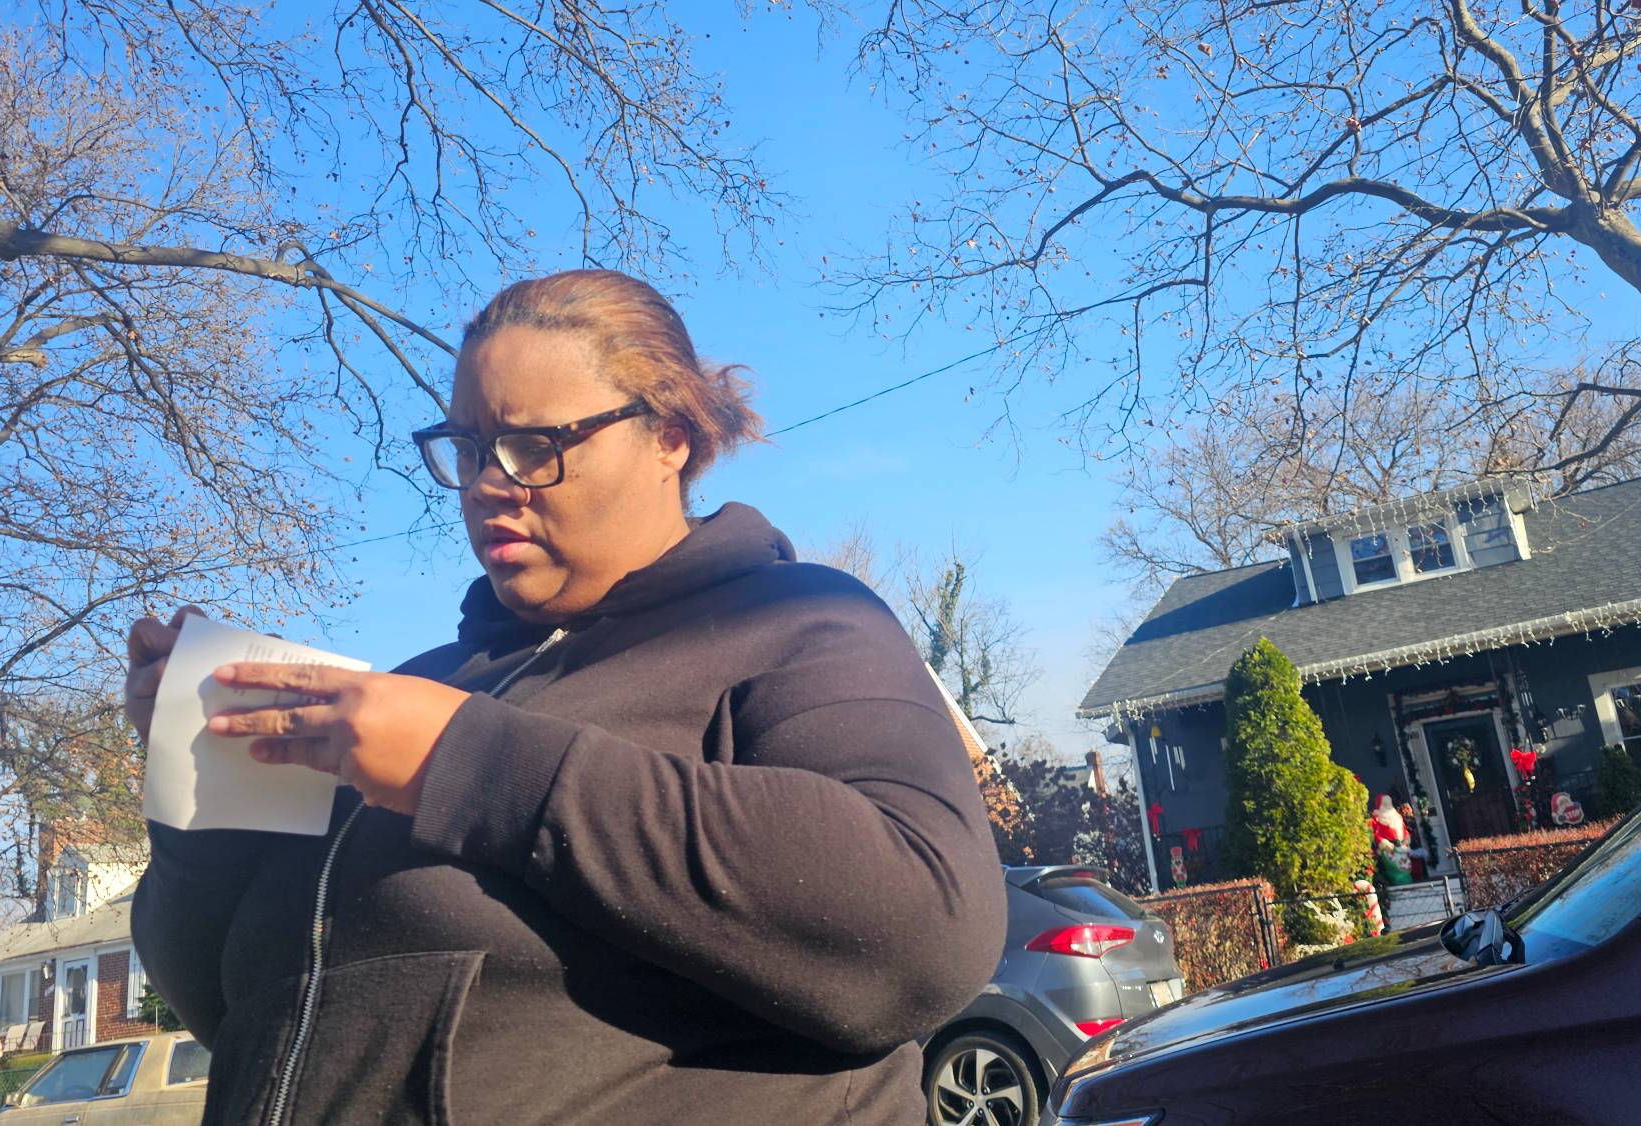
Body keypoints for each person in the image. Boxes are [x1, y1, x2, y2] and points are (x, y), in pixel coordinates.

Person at [123, 270, 1006, 1124]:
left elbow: (927, 933)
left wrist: (466, 762)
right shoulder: (412, 689)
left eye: (534, 446)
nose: (486, 484)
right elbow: (242, 1013)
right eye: (469, 448)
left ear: (669, 437)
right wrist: (207, 791)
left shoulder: (798, 622)